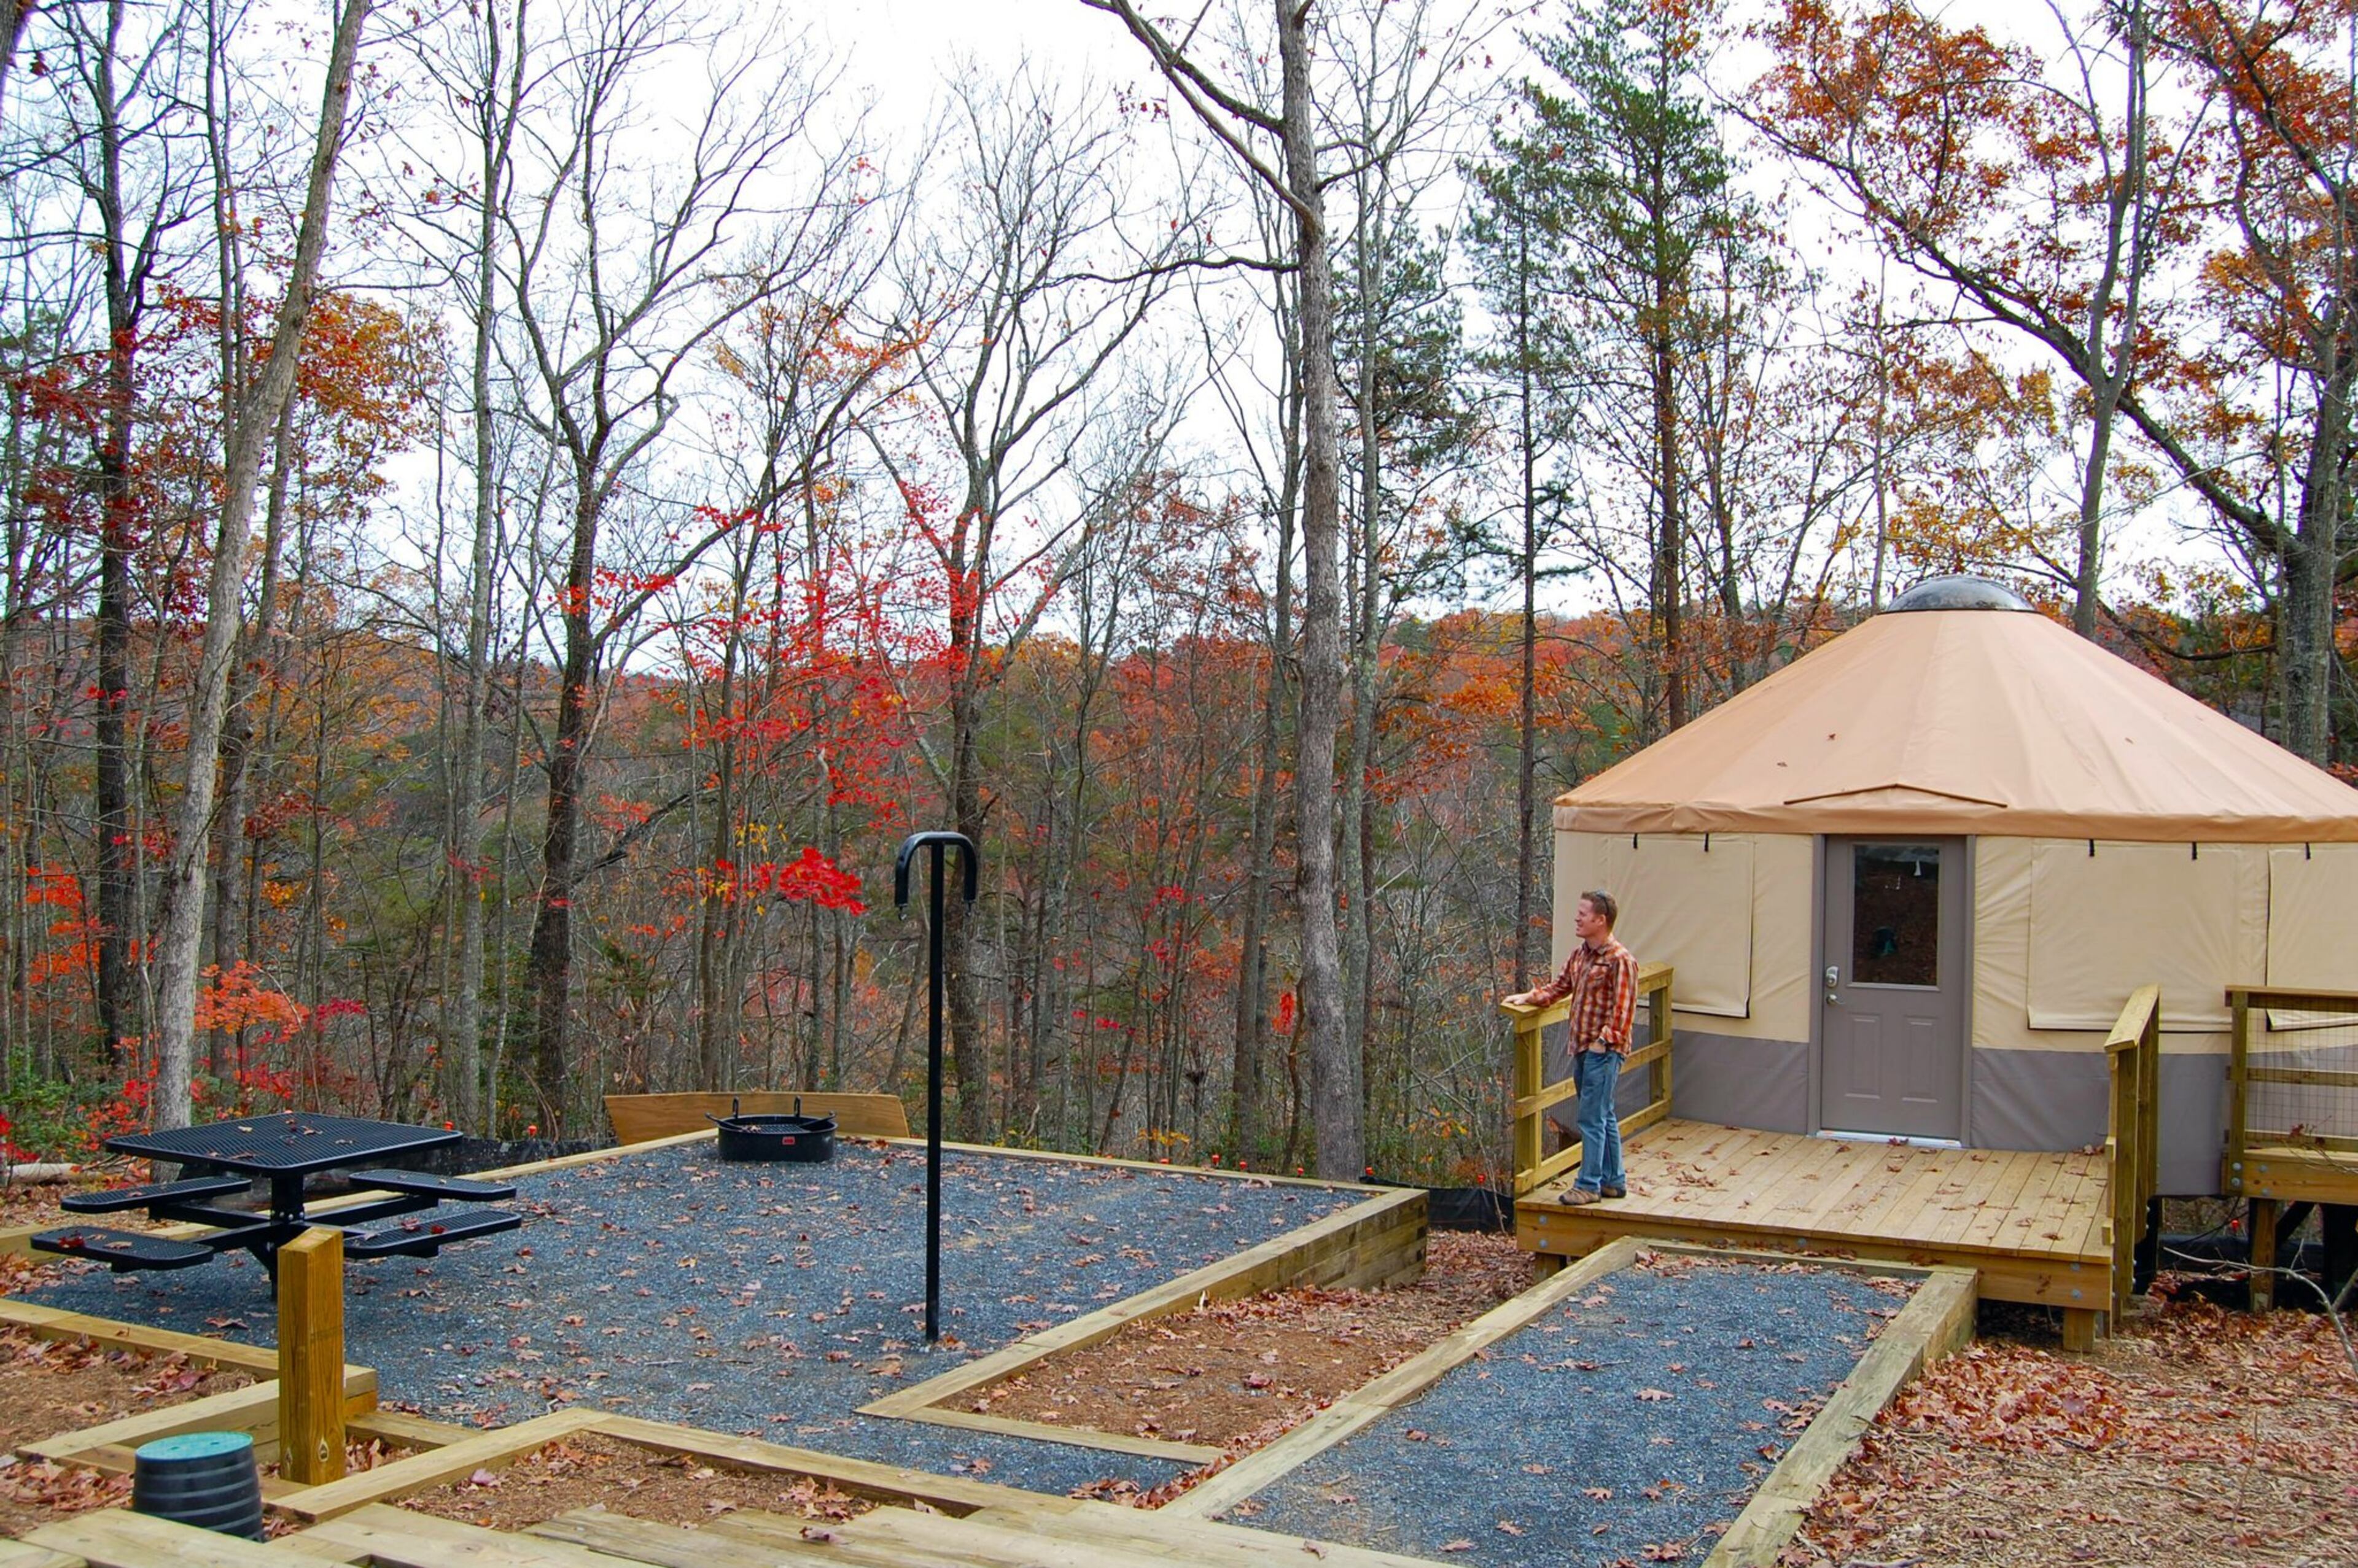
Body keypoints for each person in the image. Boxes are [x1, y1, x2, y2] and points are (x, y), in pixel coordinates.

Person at [1502, 889, 1637, 1205]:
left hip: (1604, 1051)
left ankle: (1588, 1185)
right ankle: (1613, 1180)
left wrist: (1603, 1043)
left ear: (1600, 920)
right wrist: (1528, 997)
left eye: (1583, 914)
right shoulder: (1581, 955)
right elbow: (1559, 987)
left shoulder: (1620, 960)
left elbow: (1624, 1011)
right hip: (1582, 1048)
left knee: (1591, 1118)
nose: (1577, 918)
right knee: (1603, 1114)